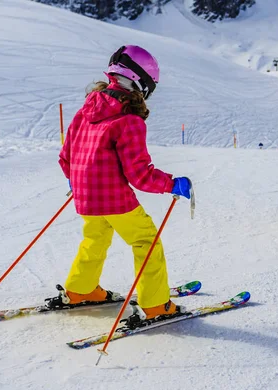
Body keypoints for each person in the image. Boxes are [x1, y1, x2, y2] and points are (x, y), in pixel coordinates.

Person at [56, 45, 192, 320]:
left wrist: (75, 181)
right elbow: (139, 175)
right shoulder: (128, 120)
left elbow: (66, 156)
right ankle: (155, 305)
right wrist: (171, 183)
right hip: (114, 199)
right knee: (146, 241)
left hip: (85, 197)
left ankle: (81, 290)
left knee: (95, 238)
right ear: (141, 82)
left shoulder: (85, 112)